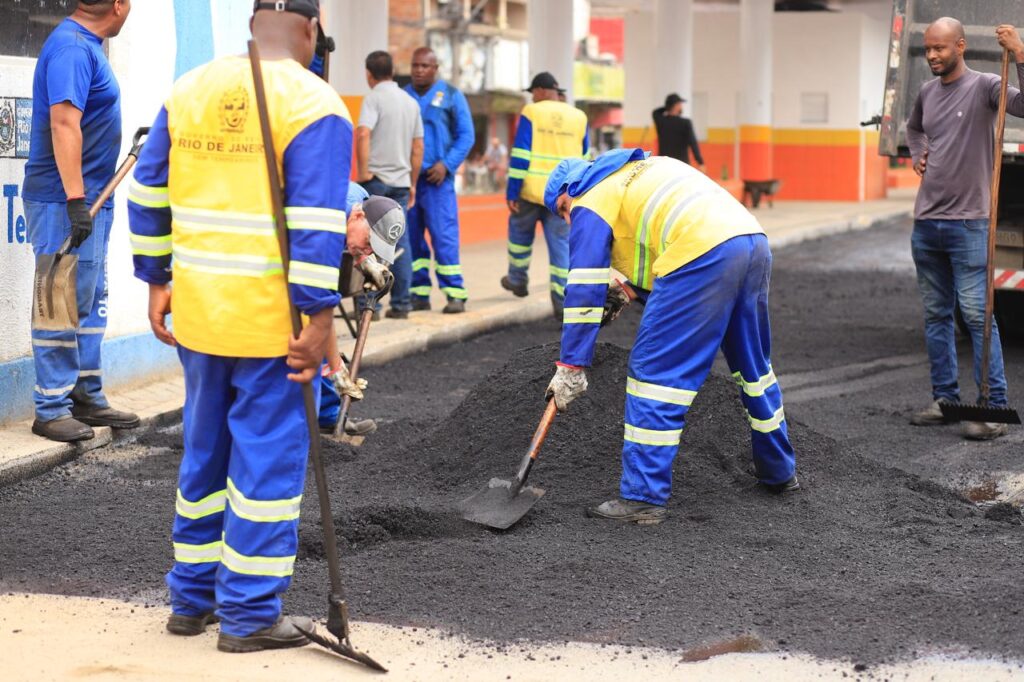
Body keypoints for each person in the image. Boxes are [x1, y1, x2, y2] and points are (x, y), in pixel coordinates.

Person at [127, 0, 372, 652]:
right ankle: (250, 614)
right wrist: (320, 318)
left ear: (252, 23)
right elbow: (319, 223)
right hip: (275, 327)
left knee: (204, 454)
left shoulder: (190, 90)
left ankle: (191, 599)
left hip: (202, 317)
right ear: (312, 30)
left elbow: (149, 190)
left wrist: (157, 278)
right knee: (265, 462)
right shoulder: (314, 104)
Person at [542, 150, 797, 525]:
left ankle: (643, 496)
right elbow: (656, 249)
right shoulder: (647, 169)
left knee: (655, 375)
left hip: (702, 253)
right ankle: (779, 471)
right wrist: (629, 290)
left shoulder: (590, 197)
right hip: (751, 241)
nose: (568, 219)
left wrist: (571, 365)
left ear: (569, 191)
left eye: (562, 210)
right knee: (753, 367)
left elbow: (582, 287)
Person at [22, 0, 137, 443]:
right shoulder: (72, 48)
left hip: (91, 198)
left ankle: (85, 396)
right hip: (65, 201)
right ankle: (51, 408)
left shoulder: (87, 45)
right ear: (118, 6)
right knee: (58, 298)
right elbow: (64, 123)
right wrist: (74, 199)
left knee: (88, 300)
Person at [905, 19, 1024, 440]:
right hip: (927, 224)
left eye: (940, 48)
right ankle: (947, 401)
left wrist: (1021, 55)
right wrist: (918, 152)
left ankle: (994, 409)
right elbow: (914, 127)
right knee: (937, 316)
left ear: (960, 46)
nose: (933, 56)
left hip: (970, 222)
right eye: (928, 49)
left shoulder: (986, 86)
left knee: (978, 315)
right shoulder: (926, 93)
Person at [502, 72, 589, 318]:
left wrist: (512, 190)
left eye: (533, 92)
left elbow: (521, 153)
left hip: (531, 192)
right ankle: (562, 305)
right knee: (561, 246)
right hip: (563, 196)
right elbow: (585, 159)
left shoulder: (532, 112)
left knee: (519, 236)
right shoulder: (579, 117)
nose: (533, 96)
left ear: (540, 91)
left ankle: (518, 279)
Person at [403, 46, 475, 314]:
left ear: (435, 69)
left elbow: (466, 135)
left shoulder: (452, 96)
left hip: (437, 182)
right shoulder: (404, 96)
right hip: (409, 181)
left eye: (425, 66)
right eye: (415, 65)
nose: (419, 70)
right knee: (411, 239)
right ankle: (418, 293)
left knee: (443, 237)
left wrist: (447, 165)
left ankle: (455, 293)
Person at [355, 50, 423, 320]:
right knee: (399, 241)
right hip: (401, 183)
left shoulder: (373, 98)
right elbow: (418, 147)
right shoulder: (410, 102)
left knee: (369, 243)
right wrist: (413, 182)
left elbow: (362, 132)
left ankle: (372, 306)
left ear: (368, 74)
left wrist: (363, 172)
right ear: (392, 72)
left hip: (377, 182)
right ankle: (402, 304)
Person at [651, 93, 705, 171]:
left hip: (664, 163)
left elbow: (655, 112)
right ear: (675, 105)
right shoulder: (685, 123)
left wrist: (667, 107)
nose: (681, 106)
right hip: (682, 163)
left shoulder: (661, 121)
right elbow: (693, 143)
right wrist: (700, 162)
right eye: (679, 104)